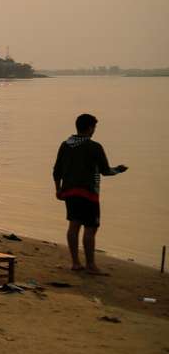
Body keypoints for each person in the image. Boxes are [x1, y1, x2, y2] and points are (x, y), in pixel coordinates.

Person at [53, 113, 128, 275]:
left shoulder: (65, 145)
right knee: (91, 227)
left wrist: (58, 189)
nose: (94, 130)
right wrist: (119, 170)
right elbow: (105, 171)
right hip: (88, 193)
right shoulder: (94, 147)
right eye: (94, 127)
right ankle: (91, 265)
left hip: (69, 192)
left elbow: (56, 170)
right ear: (89, 128)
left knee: (74, 225)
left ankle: (75, 263)